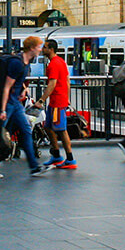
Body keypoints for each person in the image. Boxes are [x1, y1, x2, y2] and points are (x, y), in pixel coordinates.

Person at [0, 35, 54, 176]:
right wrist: (3, 109)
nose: (40, 50)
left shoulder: (25, 62)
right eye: (39, 47)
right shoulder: (17, 63)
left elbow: (15, 82)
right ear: (32, 48)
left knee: (26, 130)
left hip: (15, 103)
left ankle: (34, 167)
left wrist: (23, 89)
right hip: (9, 103)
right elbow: (6, 87)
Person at [37, 39, 76, 170]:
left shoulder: (53, 64)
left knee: (61, 130)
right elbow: (67, 81)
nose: (43, 50)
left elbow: (52, 84)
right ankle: (57, 154)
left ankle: (70, 158)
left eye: (45, 47)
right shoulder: (61, 62)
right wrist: (68, 98)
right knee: (48, 126)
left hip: (57, 102)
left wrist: (41, 100)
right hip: (58, 101)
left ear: (51, 49)